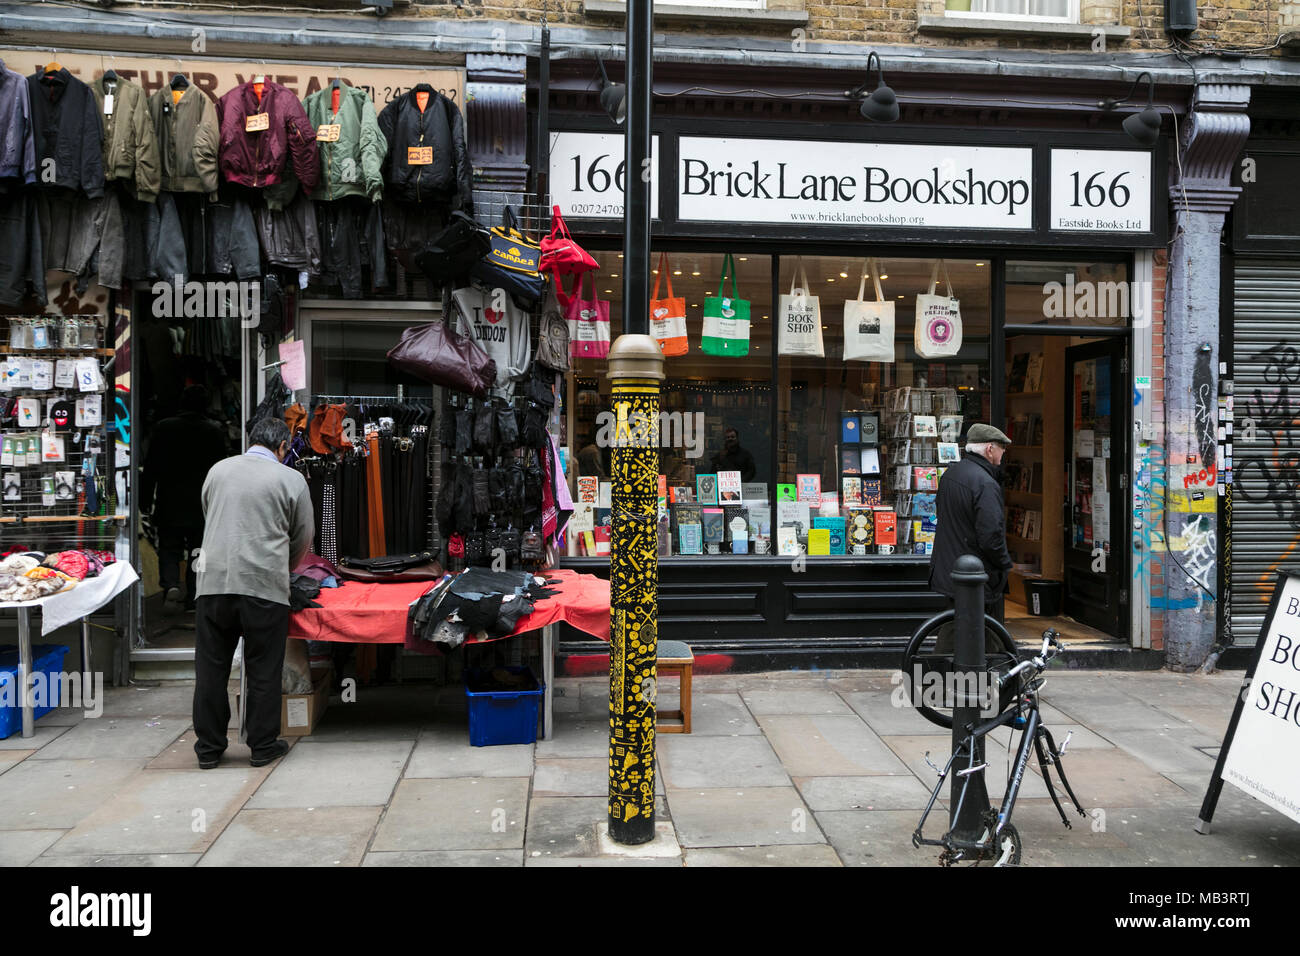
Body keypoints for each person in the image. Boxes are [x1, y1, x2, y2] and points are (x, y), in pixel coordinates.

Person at [192, 418, 314, 770]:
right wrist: (281, 568)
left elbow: (209, 515)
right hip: (263, 586)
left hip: (213, 584)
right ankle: (262, 745)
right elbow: (303, 537)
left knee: (211, 669)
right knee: (263, 667)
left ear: (251, 440)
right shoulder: (291, 479)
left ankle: (209, 749)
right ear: (282, 447)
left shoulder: (218, 470)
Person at [140, 385, 229, 613]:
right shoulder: (215, 431)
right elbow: (222, 471)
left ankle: (170, 585)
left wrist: (144, 498)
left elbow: (151, 467)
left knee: (169, 547)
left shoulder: (163, 428)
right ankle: (194, 595)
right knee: (199, 550)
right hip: (202, 503)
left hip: (170, 500)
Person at [929, 423, 1014, 624]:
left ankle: (1003, 656)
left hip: (951, 568)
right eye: (1002, 448)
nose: (1003, 454)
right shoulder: (985, 483)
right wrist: (1005, 564)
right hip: (974, 575)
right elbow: (991, 536)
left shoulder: (951, 474)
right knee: (976, 631)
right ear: (990, 448)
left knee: (963, 629)